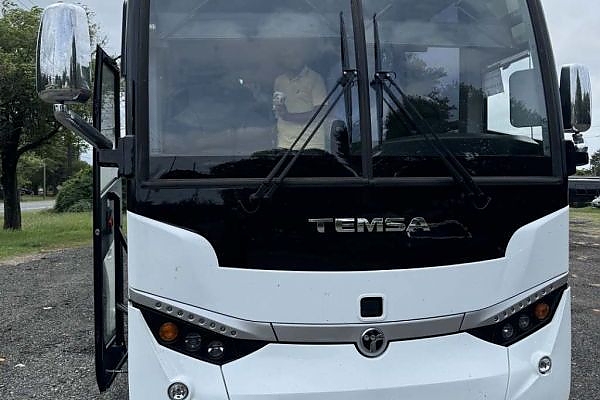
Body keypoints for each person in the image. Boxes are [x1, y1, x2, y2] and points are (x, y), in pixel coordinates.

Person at [272, 45, 328, 150]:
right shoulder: (279, 81)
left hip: (311, 143)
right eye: (287, 57)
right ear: (282, 61)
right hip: (284, 143)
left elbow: (320, 113)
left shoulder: (315, 79)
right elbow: (278, 112)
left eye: (295, 56)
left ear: (302, 57)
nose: (292, 60)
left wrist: (288, 116)